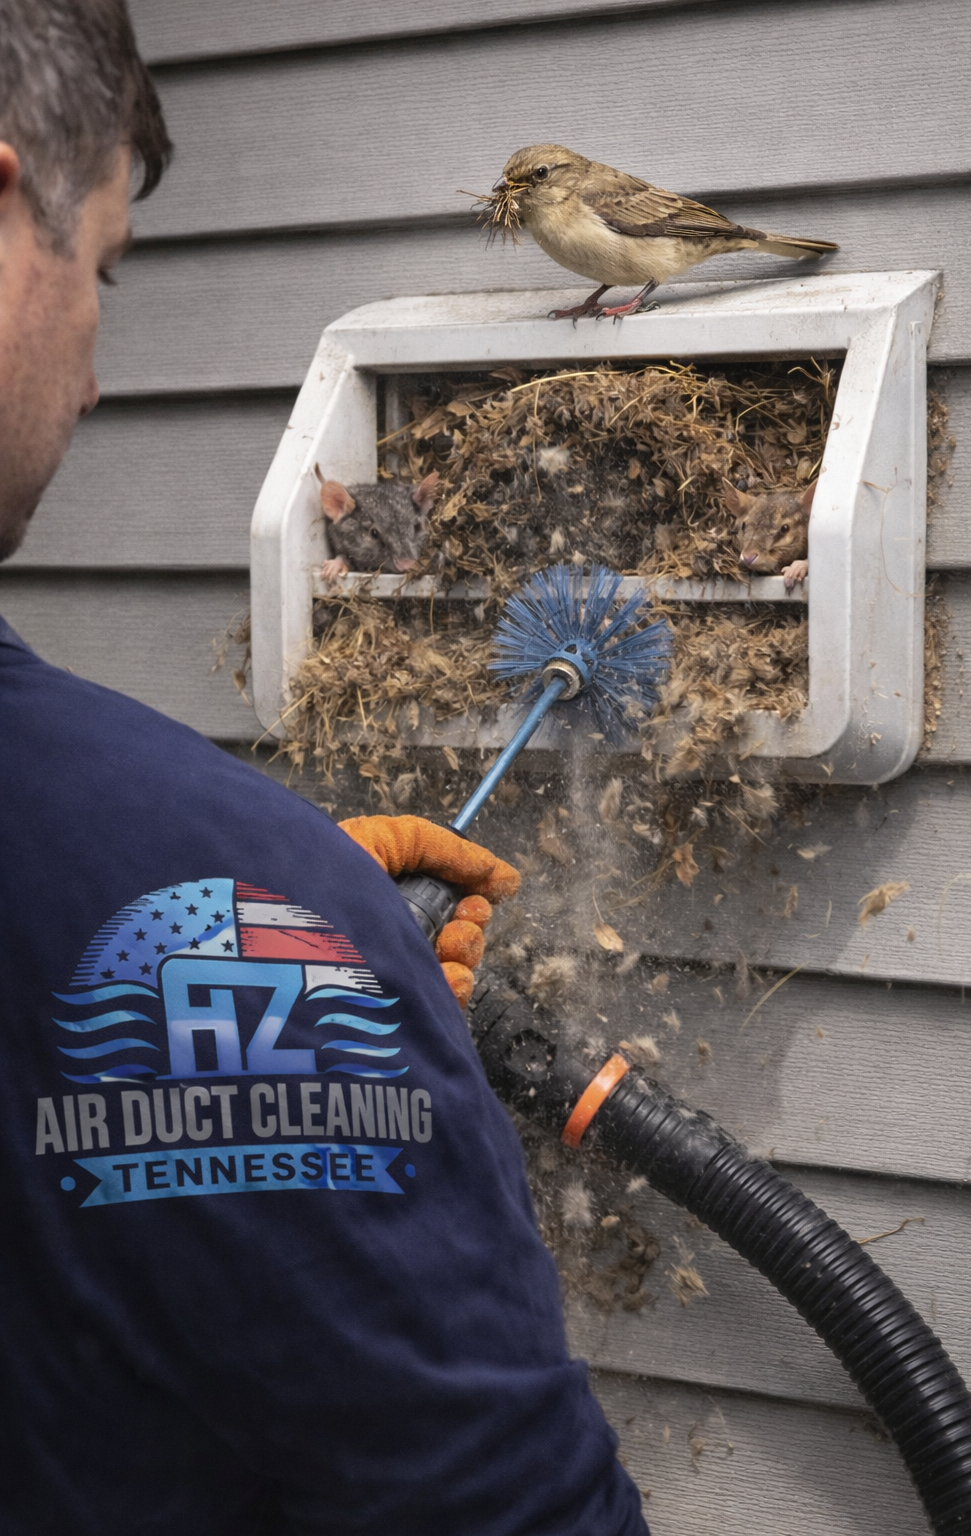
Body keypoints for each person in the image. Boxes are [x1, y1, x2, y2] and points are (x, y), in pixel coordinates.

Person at [0, 3, 648, 1533]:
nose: (97, 377)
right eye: (98, 272)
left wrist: (247, 933)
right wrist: (262, 930)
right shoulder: (196, 897)